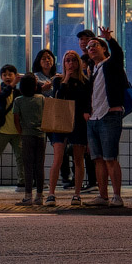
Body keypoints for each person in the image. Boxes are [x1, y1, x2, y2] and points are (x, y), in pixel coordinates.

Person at [82, 28, 131, 209]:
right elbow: (92, 94)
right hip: (94, 118)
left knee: (110, 157)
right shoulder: (93, 70)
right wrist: (87, 111)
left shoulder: (111, 64)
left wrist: (110, 38)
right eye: (88, 47)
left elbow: (118, 54)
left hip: (109, 115)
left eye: (95, 45)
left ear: (104, 49)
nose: (91, 48)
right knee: (98, 159)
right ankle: (102, 195)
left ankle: (116, 196)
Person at [47, 50, 90, 208]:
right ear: (63, 63)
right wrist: (65, 78)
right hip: (61, 120)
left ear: (78, 63)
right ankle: (51, 193)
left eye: (73, 60)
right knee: (57, 158)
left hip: (78, 122)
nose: (71, 63)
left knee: (78, 159)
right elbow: (58, 97)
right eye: (67, 61)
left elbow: (86, 103)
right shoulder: (58, 80)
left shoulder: (84, 81)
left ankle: (77, 194)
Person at [0, 65, 25, 194]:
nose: (8, 77)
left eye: (10, 74)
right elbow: (2, 96)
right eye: (4, 75)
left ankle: (22, 182)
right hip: (2, 129)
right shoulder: (0, 89)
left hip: (17, 130)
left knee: (20, 157)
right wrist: (13, 85)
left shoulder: (19, 92)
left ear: (15, 75)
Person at [11, 74, 46, 205]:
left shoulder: (18, 101)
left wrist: (21, 132)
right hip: (41, 135)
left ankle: (28, 196)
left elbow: (16, 119)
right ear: (35, 86)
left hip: (26, 135)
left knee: (28, 166)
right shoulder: (41, 98)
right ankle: (40, 196)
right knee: (39, 166)